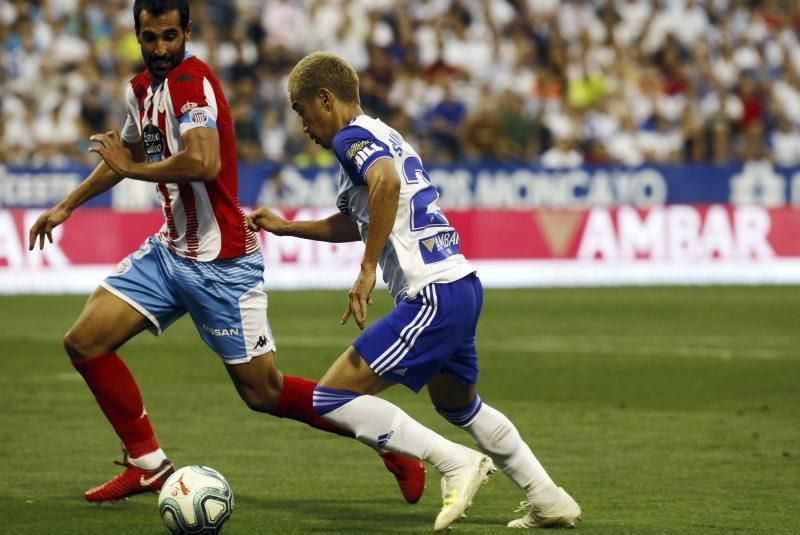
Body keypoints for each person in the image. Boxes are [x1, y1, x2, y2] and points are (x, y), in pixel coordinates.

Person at [27, 0, 424, 505]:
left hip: (222, 264)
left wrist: (131, 172)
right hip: (169, 253)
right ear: (137, 35)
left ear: (187, 31)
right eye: (150, 38)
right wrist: (67, 205)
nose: (161, 48)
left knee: (265, 392)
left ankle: (388, 443)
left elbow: (204, 161)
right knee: (84, 341)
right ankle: (147, 464)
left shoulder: (194, 85)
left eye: (171, 36)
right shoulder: (140, 91)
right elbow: (125, 158)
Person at [247, 52, 582, 530]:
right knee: (458, 404)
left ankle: (453, 462)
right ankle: (548, 497)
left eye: (302, 111)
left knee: (330, 397)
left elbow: (384, 183)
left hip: (431, 296)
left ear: (325, 98)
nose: (303, 125)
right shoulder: (384, 133)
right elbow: (361, 215)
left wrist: (367, 270)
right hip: (461, 286)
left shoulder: (348, 138)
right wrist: (289, 227)